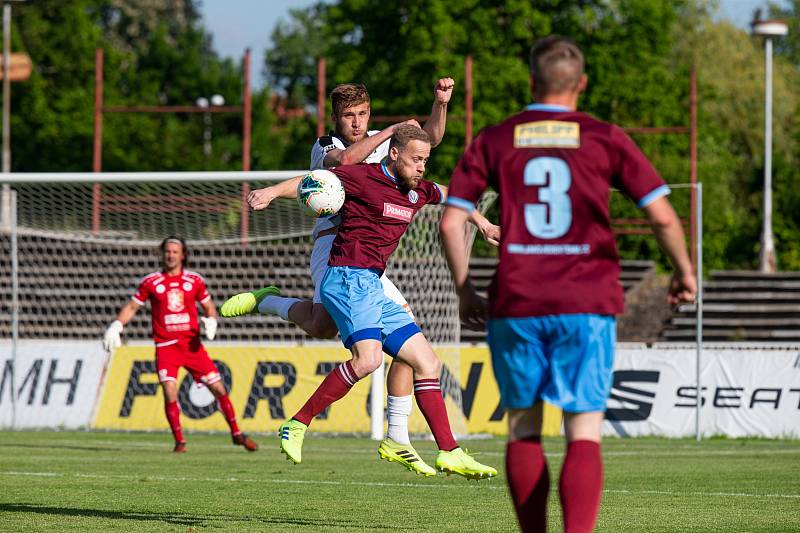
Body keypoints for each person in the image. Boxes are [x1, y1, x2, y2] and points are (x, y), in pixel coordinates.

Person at [439, 36, 697, 532]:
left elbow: (452, 223)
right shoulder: (604, 137)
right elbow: (663, 218)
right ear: (581, 84)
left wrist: (465, 289)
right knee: (583, 431)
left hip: (517, 301)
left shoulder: (496, 138)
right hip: (586, 300)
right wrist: (684, 271)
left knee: (524, 429)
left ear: (531, 82)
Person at [221, 81, 499, 475]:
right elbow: (327, 174)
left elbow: (430, 148)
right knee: (361, 355)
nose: (356, 121)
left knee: (421, 358)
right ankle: (300, 420)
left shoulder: (410, 180)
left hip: (370, 272)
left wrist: (439, 105)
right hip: (338, 256)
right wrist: (270, 191)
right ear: (336, 118)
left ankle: (422, 443)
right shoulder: (340, 155)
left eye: (363, 114)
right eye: (349, 115)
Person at [102, 236, 258, 453]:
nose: (171, 255)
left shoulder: (195, 280)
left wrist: (212, 320)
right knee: (169, 390)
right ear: (162, 253)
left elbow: (209, 307)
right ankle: (180, 442)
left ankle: (236, 434)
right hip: (166, 347)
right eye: (167, 251)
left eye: (175, 252)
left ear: (183, 255)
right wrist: (117, 325)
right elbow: (131, 307)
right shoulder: (151, 282)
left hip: (192, 346)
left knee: (218, 388)